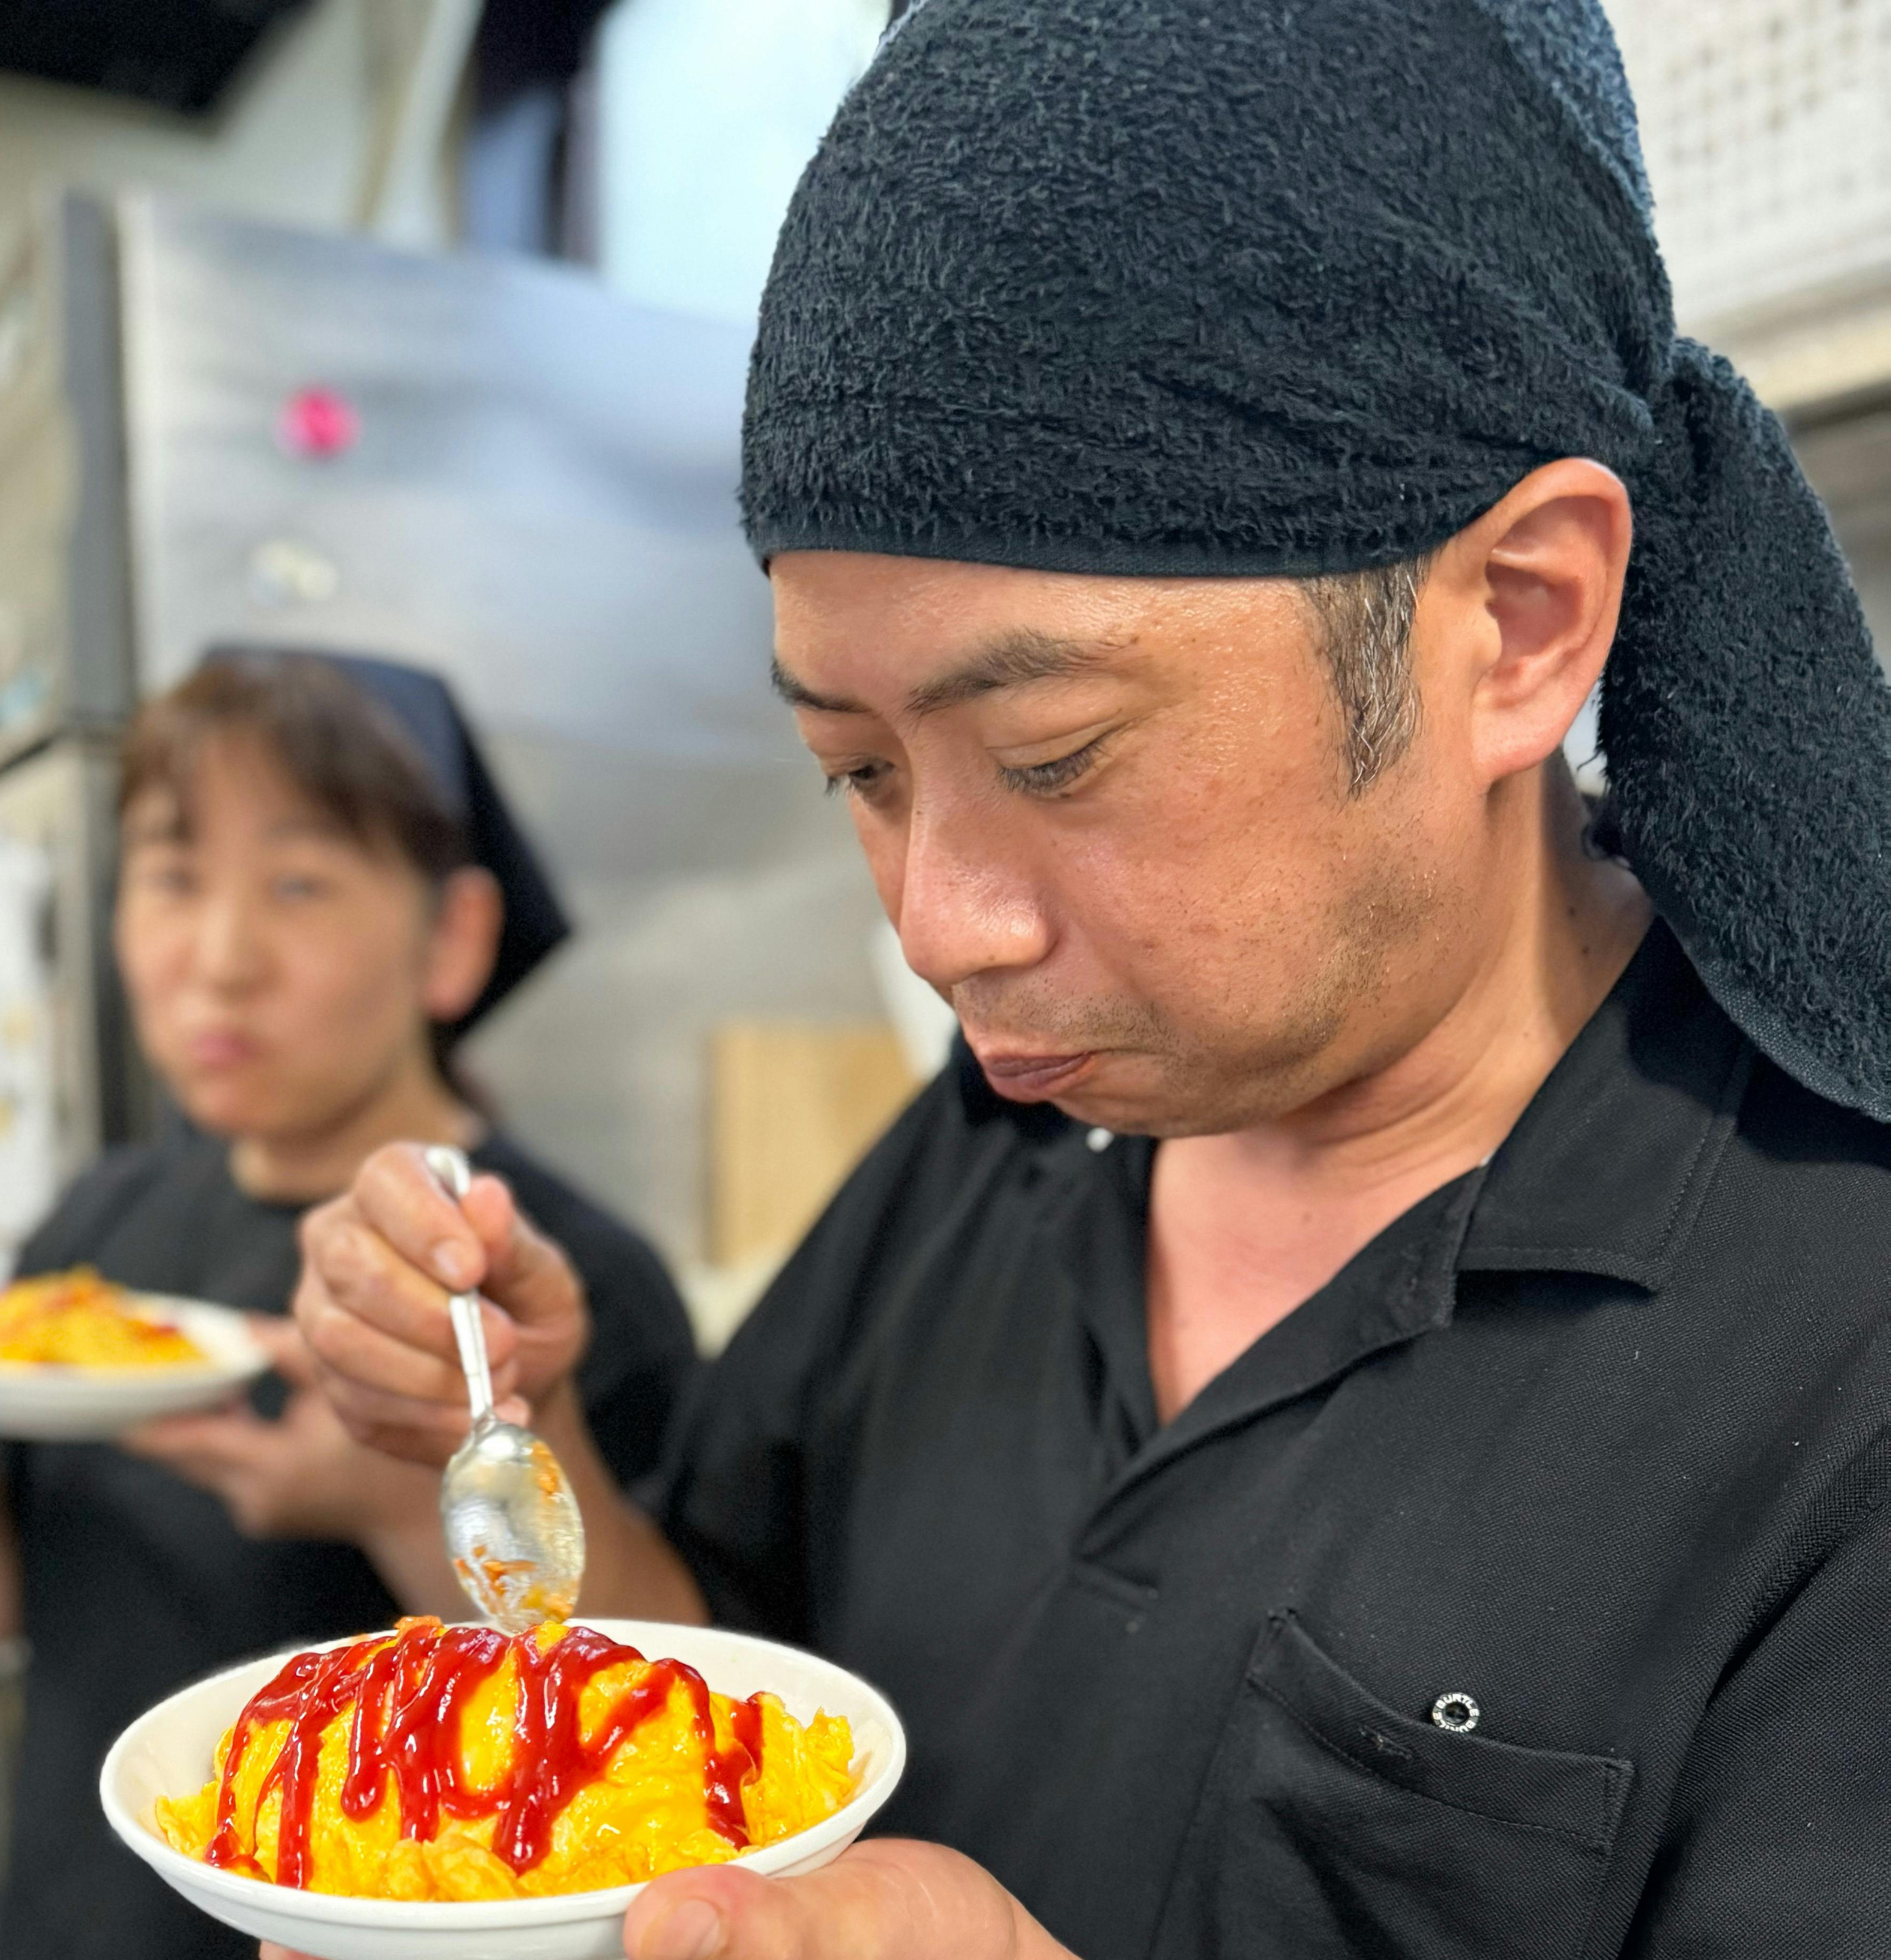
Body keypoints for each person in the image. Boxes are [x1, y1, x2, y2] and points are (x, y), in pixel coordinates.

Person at [279, 4, 1891, 1958]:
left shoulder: (1830, 1353)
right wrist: (486, 1453)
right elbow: (714, 1721)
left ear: (1518, 623)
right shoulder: (1002, 1143)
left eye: (1055, 757)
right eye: (859, 773)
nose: (940, 925)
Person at [0, 652, 695, 1960]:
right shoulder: (101, 1230)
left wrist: (390, 1499)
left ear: (451, 939)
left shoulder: (557, 1280)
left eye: (299, 883)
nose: (218, 959)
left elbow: (645, 1753)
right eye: (172, 875)